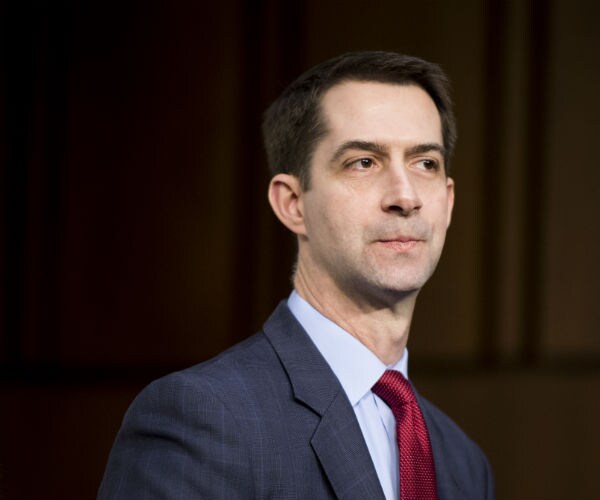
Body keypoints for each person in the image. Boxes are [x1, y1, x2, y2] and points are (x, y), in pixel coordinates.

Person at [98, 51, 494, 500]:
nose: (405, 196)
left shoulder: (462, 463)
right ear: (292, 203)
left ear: (448, 202)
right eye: (364, 162)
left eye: (425, 163)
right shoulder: (202, 419)